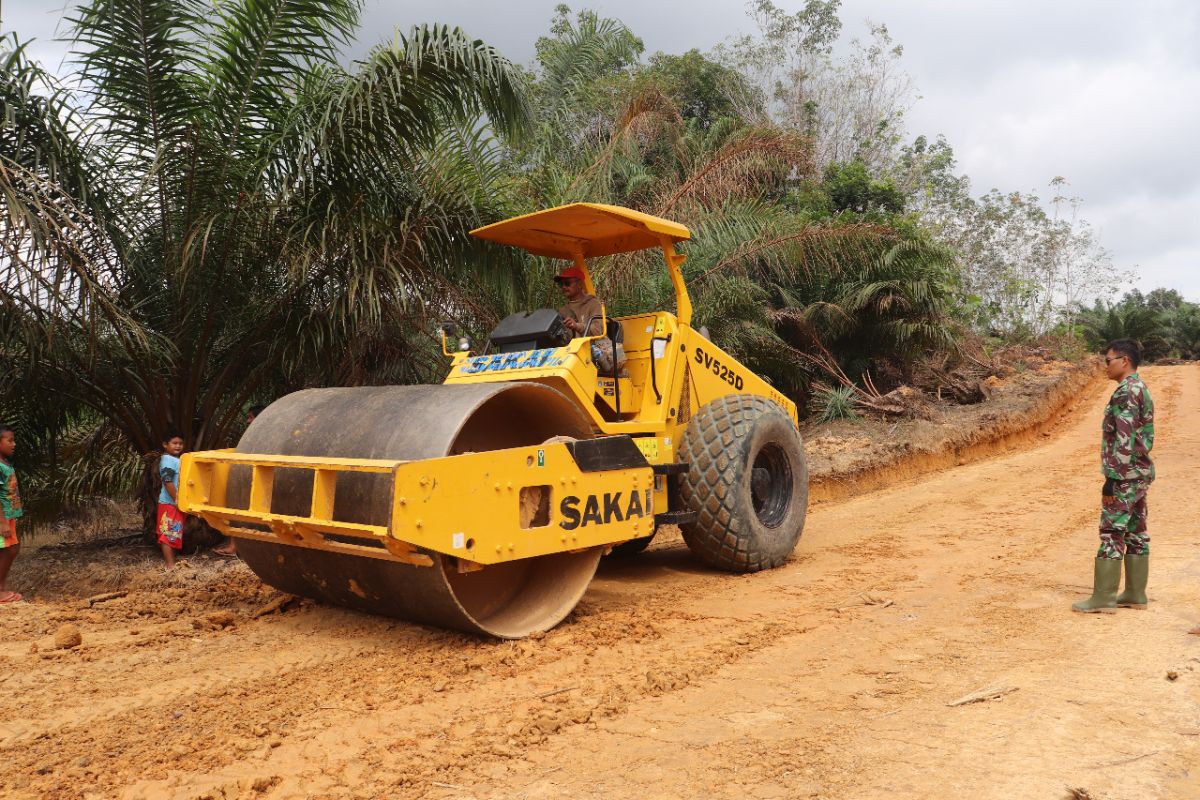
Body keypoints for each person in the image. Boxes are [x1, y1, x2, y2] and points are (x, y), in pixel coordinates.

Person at [1073, 339, 1155, 613]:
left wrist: (1112, 477)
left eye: (1108, 361)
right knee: (1136, 531)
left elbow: (1125, 436)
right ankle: (1134, 593)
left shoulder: (1126, 392)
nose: (1104, 366)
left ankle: (1104, 598)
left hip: (1125, 475)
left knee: (1111, 532)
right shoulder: (1139, 388)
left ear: (1124, 361)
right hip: (1139, 474)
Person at [212, 404, 265, 558]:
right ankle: (234, 547)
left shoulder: (266, 435)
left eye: (250, 417)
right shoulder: (251, 435)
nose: (248, 421)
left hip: (260, 481)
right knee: (237, 510)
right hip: (247, 478)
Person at [157, 429, 187, 568]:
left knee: (173, 533)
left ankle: (172, 562)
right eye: (174, 443)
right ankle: (170, 565)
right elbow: (167, 481)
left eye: (181, 443)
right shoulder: (168, 460)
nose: (178, 446)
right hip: (170, 503)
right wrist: (177, 500)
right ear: (165, 444)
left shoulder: (176, 459)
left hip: (173, 503)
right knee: (167, 534)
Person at [0, 425, 23, 604]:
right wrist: (2, 522)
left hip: (9, 515)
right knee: (10, 549)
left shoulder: (5, 463)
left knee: (10, 549)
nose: (13, 444)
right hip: (2, 517)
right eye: (10, 441)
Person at [555, 267, 603, 338]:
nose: (564, 287)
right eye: (561, 284)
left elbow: (597, 331)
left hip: (594, 346)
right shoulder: (562, 311)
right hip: (573, 348)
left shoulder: (594, 304)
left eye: (567, 283)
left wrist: (577, 326)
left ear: (580, 284)